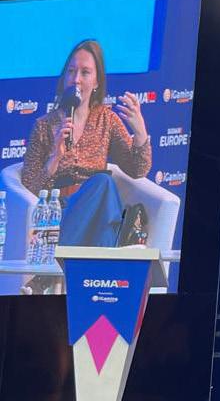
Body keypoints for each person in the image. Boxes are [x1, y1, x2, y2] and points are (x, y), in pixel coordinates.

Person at [21, 38, 152, 256]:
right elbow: (28, 190)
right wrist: (54, 159)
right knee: (104, 183)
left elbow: (137, 170)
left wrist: (140, 132)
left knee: (103, 186)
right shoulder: (44, 126)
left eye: (85, 73)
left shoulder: (107, 120)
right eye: (71, 72)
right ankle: (104, 263)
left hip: (98, 215)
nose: (76, 80)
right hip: (58, 215)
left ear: (97, 81)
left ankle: (75, 263)